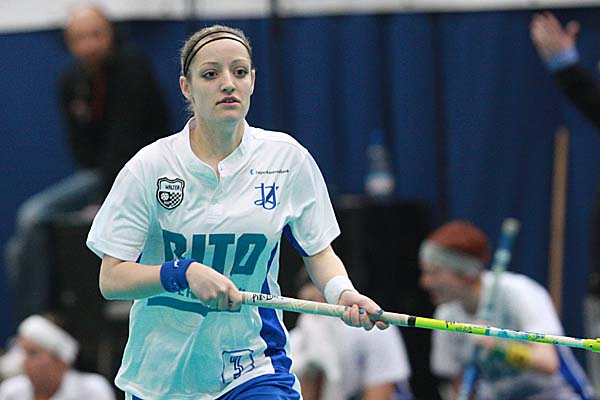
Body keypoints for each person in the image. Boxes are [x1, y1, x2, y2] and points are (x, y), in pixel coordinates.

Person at [86, 24, 387, 400]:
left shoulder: (286, 159)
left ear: (253, 81)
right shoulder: (149, 167)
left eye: (239, 71)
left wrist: (343, 292)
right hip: (162, 376)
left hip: (253, 365)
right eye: (211, 74)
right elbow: (112, 279)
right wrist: (183, 272)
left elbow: (319, 251)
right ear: (186, 87)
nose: (228, 83)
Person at [5, 4, 170, 322]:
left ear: (111, 35)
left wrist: (108, 199)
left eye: (96, 35)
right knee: (16, 249)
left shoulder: (132, 67)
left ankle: (40, 320)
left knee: (33, 215)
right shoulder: (71, 81)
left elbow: (127, 143)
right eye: (80, 38)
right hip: (96, 177)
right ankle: (36, 325)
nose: (89, 45)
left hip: (140, 174)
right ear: (68, 43)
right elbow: (80, 149)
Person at [419, 220, 594, 400]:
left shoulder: (519, 292)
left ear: (465, 273)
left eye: (434, 273)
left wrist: (500, 347)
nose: (425, 282)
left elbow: (548, 363)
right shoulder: (446, 315)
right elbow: (459, 384)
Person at [289, 269, 414, 400]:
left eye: (321, 301)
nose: (316, 314)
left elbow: (381, 392)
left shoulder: (375, 330)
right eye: (309, 302)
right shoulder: (294, 342)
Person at [0, 314, 115, 400]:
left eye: (33, 353)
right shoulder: (10, 392)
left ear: (61, 361)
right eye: (23, 352)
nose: (24, 361)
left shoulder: (93, 390)